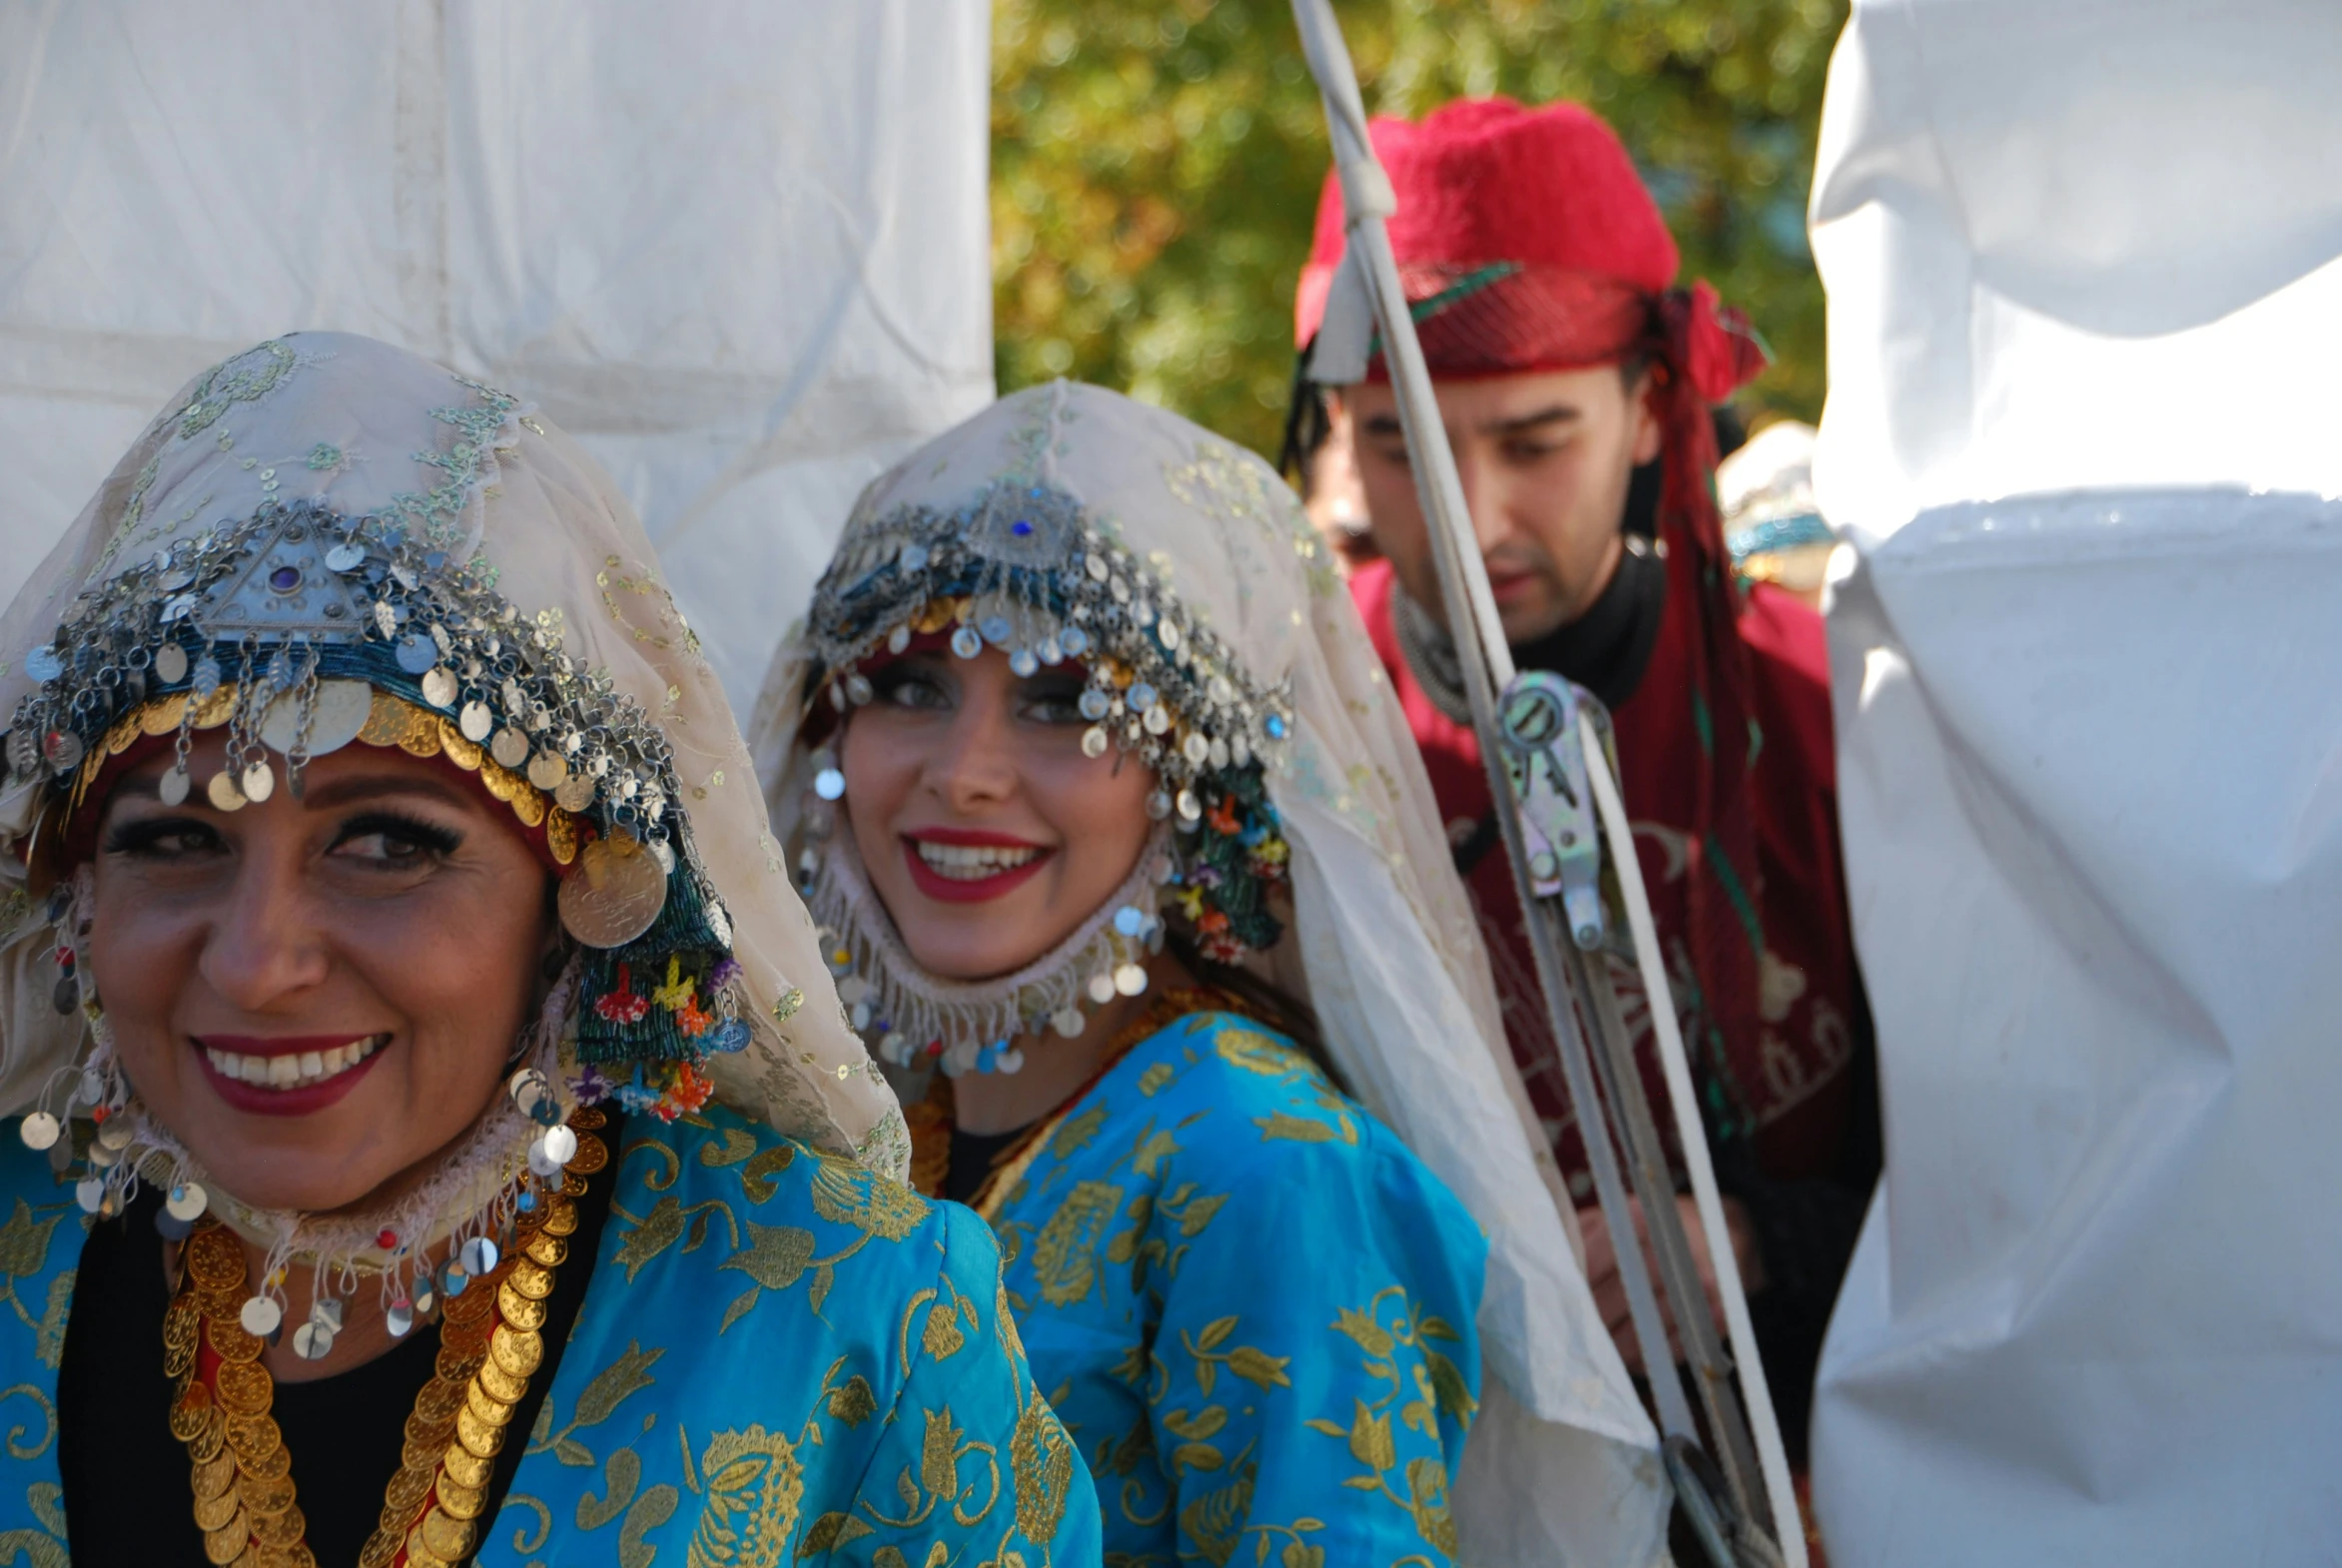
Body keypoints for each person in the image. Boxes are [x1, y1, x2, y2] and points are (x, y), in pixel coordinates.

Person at [0, 333, 1097, 1565]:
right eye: (172, 841)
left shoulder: (850, 1316)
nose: (259, 962)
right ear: (75, 888)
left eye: (385, 845)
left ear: (583, 887)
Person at [750, 382, 1670, 1567]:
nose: (963, 773)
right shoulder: (870, 1130)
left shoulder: (1269, 1166)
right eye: (910, 688)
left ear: (1193, 784)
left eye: (1064, 702)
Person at [1287, 97, 1879, 1460]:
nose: (1469, 516)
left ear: (1654, 408)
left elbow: (2026, 1185)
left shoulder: (1839, 708)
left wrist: (1758, 1244)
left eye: (1534, 441)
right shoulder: (1291, 720)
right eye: (1399, 445)